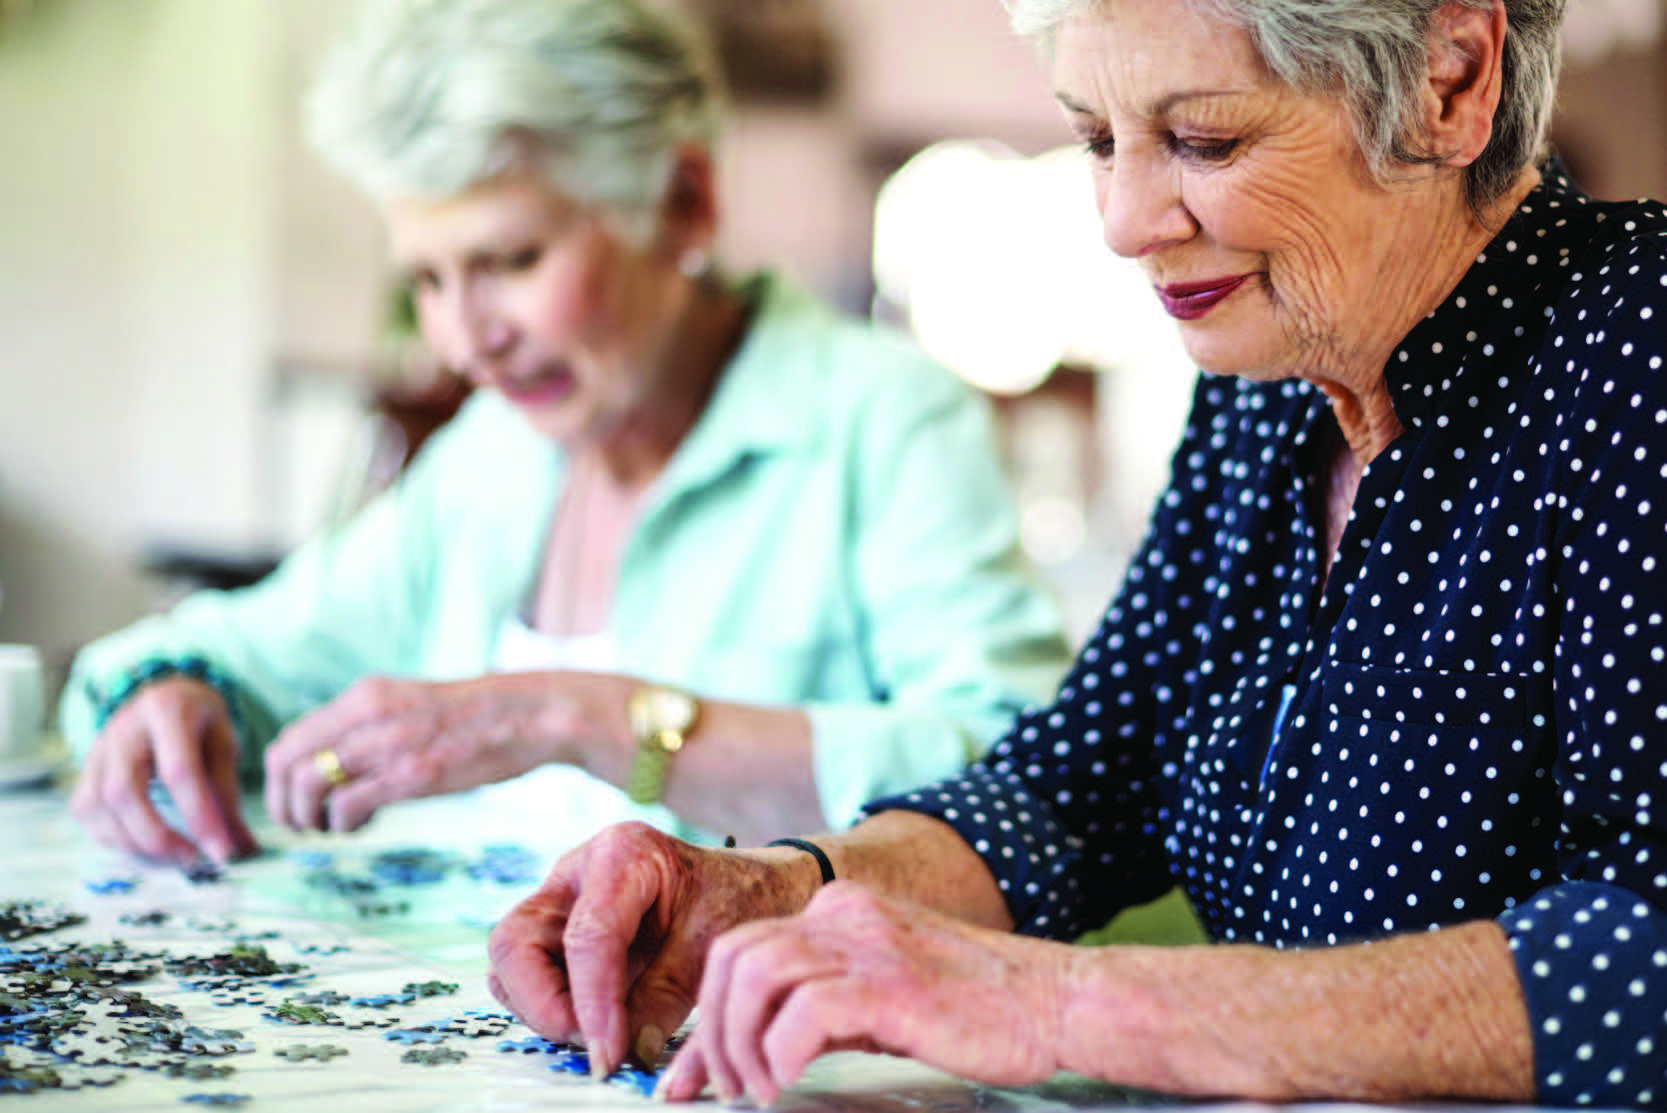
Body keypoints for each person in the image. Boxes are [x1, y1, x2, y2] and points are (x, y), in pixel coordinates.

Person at [485, 0, 1667, 1107]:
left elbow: (1644, 945)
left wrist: (1060, 1003)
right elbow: (1081, 783)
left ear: (1447, 81)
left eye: (1202, 141)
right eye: (1099, 139)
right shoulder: (1271, 379)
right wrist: (771, 892)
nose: (1121, 223)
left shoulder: (1637, 352)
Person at [59, 0, 1070, 867]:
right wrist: (171, 689)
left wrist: (576, 718)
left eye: (510, 259)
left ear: (683, 204)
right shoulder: (493, 454)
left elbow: (1026, 782)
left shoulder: (885, 419)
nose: (465, 340)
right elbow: (227, 650)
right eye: (427, 278)